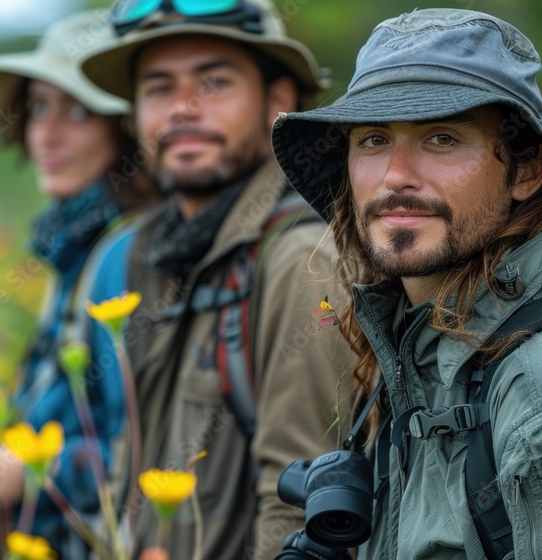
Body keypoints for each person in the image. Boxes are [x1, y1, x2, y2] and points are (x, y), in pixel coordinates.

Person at [271, 8, 542, 559]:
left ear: (527, 170)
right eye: (373, 139)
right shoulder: (422, 363)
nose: (396, 174)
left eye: (442, 138)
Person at [80, 1, 354, 558]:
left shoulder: (302, 261)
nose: (182, 108)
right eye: (158, 89)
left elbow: (299, 510)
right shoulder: (148, 255)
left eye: (215, 82)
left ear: (278, 102)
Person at [0, 10, 158, 558]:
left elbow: (145, 449)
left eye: (79, 108)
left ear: (125, 126)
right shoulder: (74, 243)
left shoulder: (127, 253)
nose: (47, 133)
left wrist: (32, 471)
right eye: (38, 106)